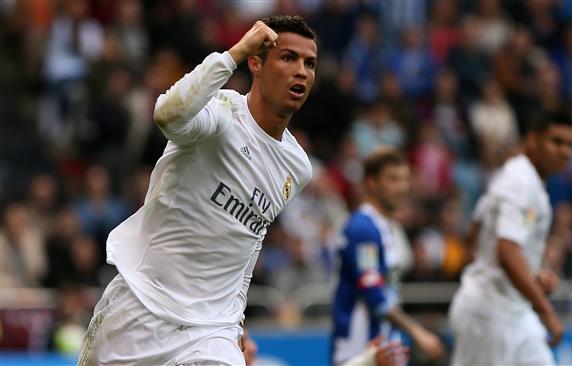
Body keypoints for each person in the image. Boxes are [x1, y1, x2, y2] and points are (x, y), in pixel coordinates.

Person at [77, 15, 317, 366]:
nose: (301, 72)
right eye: (288, 58)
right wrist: (232, 53)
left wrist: (236, 324)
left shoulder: (297, 168)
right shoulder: (220, 114)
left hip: (211, 331)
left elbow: (248, 245)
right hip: (142, 307)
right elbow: (167, 114)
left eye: (309, 63)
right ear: (256, 63)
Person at [449, 110, 572, 366]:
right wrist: (546, 309)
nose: (565, 151)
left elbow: (476, 231)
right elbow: (507, 251)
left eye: (570, 144)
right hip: (489, 313)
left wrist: (530, 270)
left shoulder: (519, 177)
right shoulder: (519, 182)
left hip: (515, 312)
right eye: (556, 142)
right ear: (533, 140)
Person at [331, 148, 444, 365]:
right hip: (361, 350)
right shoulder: (362, 228)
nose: (402, 187)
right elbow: (373, 291)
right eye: (393, 179)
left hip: (384, 347)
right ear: (372, 183)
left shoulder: (387, 226)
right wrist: (417, 332)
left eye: (405, 179)